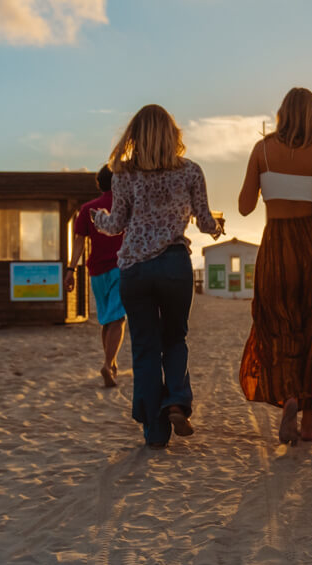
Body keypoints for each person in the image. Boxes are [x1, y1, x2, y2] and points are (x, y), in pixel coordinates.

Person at [92, 105, 223, 449]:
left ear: (134, 136)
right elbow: (205, 221)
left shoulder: (124, 174)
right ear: (172, 134)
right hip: (174, 265)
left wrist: (99, 218)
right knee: (175, 338)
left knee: (145, 349)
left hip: (134, 270)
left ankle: (154, 430)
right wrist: (217, 226)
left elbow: (116, 224)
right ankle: (177, 400)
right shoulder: (191, 171)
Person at [237, 88, 312, 445]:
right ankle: (307, 421)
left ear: (282, 114)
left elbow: (244, 207)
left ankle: (287, 396)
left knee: (277, 328)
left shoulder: (262, 151)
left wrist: (264, 183)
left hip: (276, 248)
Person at [65, 164, 127, 388]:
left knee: (106, 319)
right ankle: (108, 364)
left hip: (96, 272)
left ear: (99, 184)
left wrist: (71, 270)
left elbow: (79, 242)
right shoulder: (124, 206)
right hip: (121, 268)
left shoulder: (87, 209)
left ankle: (110, 362)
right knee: (118, 318)